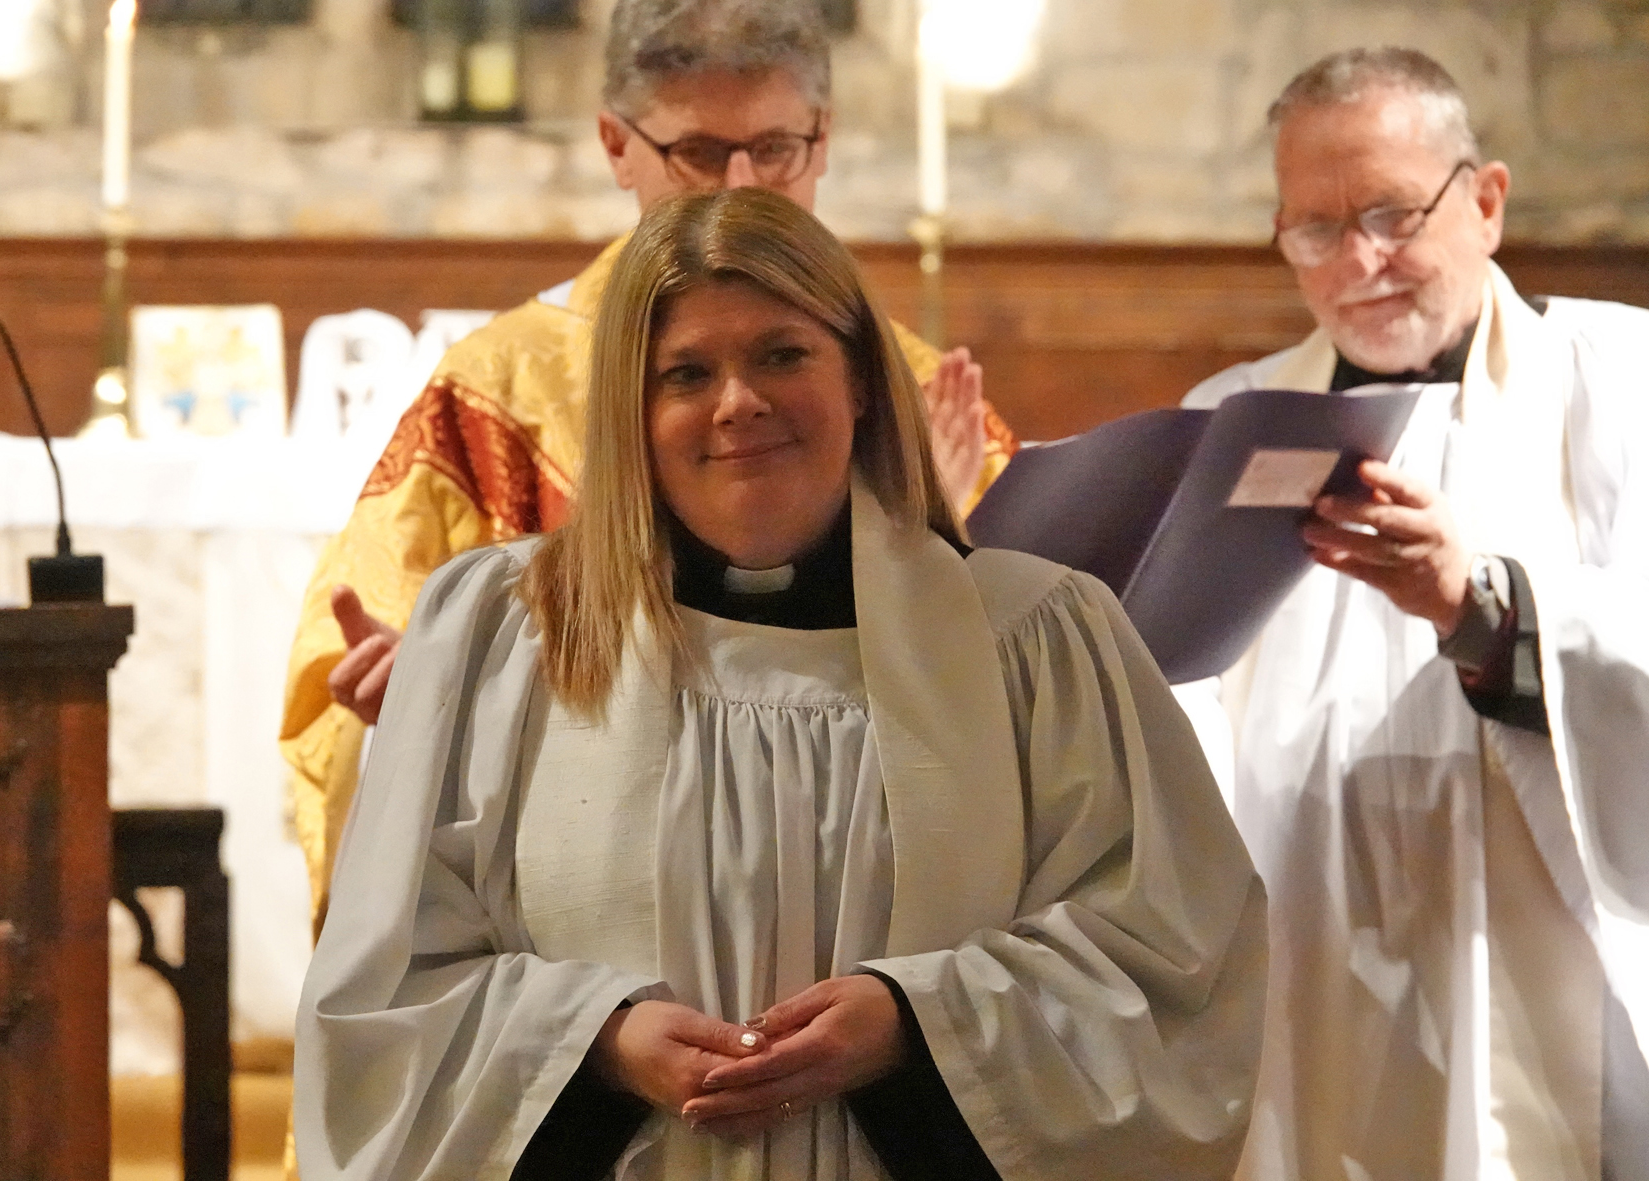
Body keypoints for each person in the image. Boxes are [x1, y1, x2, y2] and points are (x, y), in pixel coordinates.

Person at [294, 187, 1265, 1181]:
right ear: (632, 410)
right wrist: (596, 1042)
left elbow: (1165, 967)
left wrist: (916, 1024)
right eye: (686, 372)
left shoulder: (1032, 635)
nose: (738, 402)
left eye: (782, 354)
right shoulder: (505, 633)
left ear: (861, 380)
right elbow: (386, 996)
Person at [281, 0, 1018, 934]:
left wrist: (927, 523)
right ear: (616, 144)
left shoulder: (910, 386)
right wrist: (421, 700)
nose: (740, 186)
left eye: (775, 148)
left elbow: (1021, 694)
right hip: (590, 906)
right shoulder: (496, 390)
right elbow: (359, 661)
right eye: (700, 153)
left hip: (866, 897)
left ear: (824, 139)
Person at [1182, 47, 1649, 1180]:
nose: (1359, 261)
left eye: (1392, 214)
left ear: (1484, 202)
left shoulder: (1622, 383)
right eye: (1315, 228)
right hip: (1306, 976)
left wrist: (1478, 605)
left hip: (1549, 971)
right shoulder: (1229, 420)